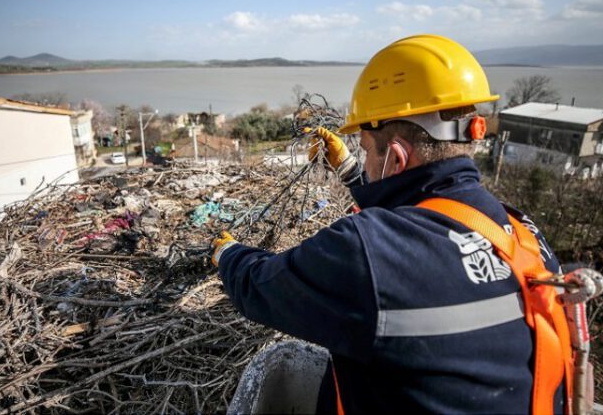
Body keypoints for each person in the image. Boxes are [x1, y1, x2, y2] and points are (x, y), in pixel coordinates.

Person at [211, 35, 569, 413]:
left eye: (366, 151)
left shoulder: (368, 252)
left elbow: (261, 286)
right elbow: (425, 215)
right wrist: (351, 170)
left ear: (396, 157)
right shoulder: (524, 235)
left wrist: (228, 254)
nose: (364, 162)